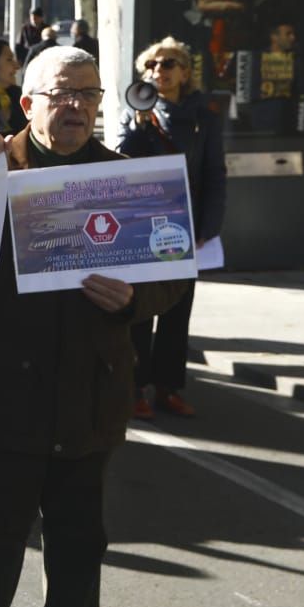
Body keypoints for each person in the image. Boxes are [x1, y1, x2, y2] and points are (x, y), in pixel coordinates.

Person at [0, 47, 189, 607]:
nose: (78, 106)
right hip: (10, 390)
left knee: (81, 539)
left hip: (92, 389)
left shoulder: (129, 179)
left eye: (90, 94)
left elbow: (172, 268)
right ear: (28, 104)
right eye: (62, 94)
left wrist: (137, 300)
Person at [117, 40, 225, 418]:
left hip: (185, 227)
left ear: (184, 71)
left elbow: (214, 173)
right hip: (144, 225)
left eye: (167, 64)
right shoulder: (136, 111)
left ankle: (168, 388)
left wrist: (208, 226)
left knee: (178, 310)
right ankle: (133, 389)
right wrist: (137, 126)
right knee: (141, 311)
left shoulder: (203, 117)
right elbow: (119, 163)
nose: (158, 71)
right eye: (151, 65)